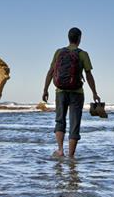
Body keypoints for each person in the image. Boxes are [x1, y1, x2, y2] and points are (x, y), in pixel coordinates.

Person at [42, 27, 101, 157]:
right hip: (77, 92)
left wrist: (45, 89)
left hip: (60, 92)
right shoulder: (83, 54)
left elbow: (51, 71)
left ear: (68, 38)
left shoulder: (58, 52)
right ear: (79, 39)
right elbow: (89, 75)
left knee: (60, 120)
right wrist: (94, 93)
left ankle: (60, 150)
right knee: (75, 123)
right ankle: (71, 155)